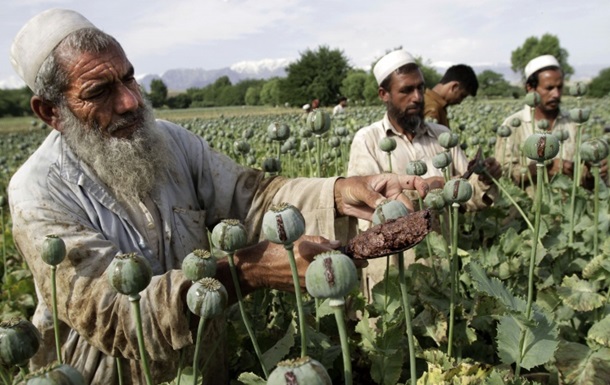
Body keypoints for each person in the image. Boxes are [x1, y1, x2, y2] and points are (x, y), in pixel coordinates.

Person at [8, 9, 430, 385]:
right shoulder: (38, 192)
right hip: (105, 374)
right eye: (99, 91)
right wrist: (246, 272)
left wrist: (340, 191)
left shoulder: (168, 141)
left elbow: (255, 197)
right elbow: (115, 315)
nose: (130, 101)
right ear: (50, 112)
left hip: (205, 364)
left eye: (129, 77)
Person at [347, 49, 501, 300]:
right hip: (393, 277)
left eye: (421, 88)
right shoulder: (368, 140)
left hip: (440, 269)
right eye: (406, 90)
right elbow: (365, 210)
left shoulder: (442, 136)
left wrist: (483, 179)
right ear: (384, 95)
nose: (417, 97)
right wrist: (424, 188)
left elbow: (467, 198)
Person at [495, 54, 607, 188]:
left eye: (559, 87)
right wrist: (544, 167)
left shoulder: (574, 123)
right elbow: (504, 175)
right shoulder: (512, 125)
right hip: (527, 207)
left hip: (568, 204)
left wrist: (592, 173)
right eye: (549, 88)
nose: (556, 94)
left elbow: (584, 176)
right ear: (530, 88)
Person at [424, 64, 479, 128]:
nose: (459, 102)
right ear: (454, 87)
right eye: (462, 96)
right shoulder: (432, 110)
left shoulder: (428, 101)